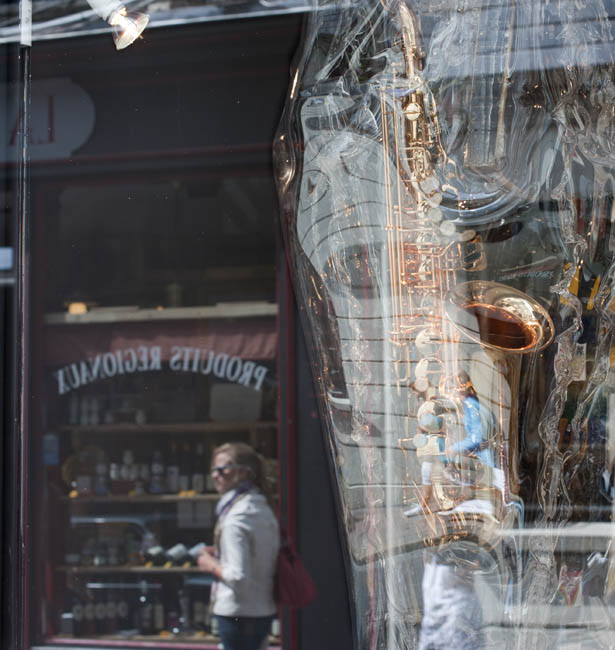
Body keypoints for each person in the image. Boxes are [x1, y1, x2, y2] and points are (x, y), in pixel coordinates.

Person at [197, 442, 280, 650]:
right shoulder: (261, 508)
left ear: (243, 472)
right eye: (213, 470)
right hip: (262, 609)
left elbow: (238, 576)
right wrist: (222, 553)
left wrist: (210, 564)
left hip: (238, 612)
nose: (215, 475)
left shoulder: (235, 518)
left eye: (222, 469)